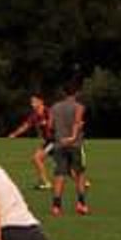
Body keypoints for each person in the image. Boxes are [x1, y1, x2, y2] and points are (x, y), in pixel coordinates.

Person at [47, 82, 90, 216]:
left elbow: (49, 126)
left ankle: (56, 206)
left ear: (64, 93)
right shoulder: (79, 107)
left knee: (60, 175)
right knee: (79, 174)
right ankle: (81, 204)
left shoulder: (54, 107)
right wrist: (73, 136)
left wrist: (59, 135)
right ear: (76, 93)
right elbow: (77, 122)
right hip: (75, 144)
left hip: (59, 144)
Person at [6, 95, 53, 190]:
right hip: (48, 141)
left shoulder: (48, 112)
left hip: (54, 140)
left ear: (41, 102)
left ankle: (46, 183)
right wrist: (14, 134)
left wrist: (48, 125)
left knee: (37, 159)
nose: (32, 104)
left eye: (34, 101)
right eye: (31, 102)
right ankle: (83, 181)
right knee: (64, 164)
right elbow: (25, 126)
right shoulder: (34, 115)